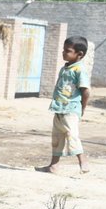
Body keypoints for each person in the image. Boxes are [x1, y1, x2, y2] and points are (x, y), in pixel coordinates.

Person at [40, 36, 91, 174]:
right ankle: (53, 166)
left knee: (72, 135)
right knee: (57, 137)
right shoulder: (65, 68)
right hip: (59, 108)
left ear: (79, 54)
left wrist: (82, 108)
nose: (63, 53)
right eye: (63, 50)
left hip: (71, 109)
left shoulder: (79, 70)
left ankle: (83, 161)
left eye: (67, 51)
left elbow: (86, 91)